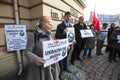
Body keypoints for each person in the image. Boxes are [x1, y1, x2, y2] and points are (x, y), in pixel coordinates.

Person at [25, 16, 60, 80]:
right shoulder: (33, 35)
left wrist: (63, 46)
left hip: (51, 66)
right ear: (42, 24)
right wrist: (35, 59)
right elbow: (27, 51)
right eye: (49, 23)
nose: (51, 25)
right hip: (39, 69)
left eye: (51, 23)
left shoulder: (50, 34)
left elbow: (54, 48)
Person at [55, 11, 73, 78]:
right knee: (60, 59)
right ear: (64, 17)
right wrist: (63, 32)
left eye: (69, 16)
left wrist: (73, 40)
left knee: (66, 57)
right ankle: (60, 71)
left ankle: (65, 68)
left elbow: (72, 35)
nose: (68, 17)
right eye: (67, 16)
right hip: (62, 46)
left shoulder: (71, 26)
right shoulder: (59, 26)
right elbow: (57, 36)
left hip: (68, 45)